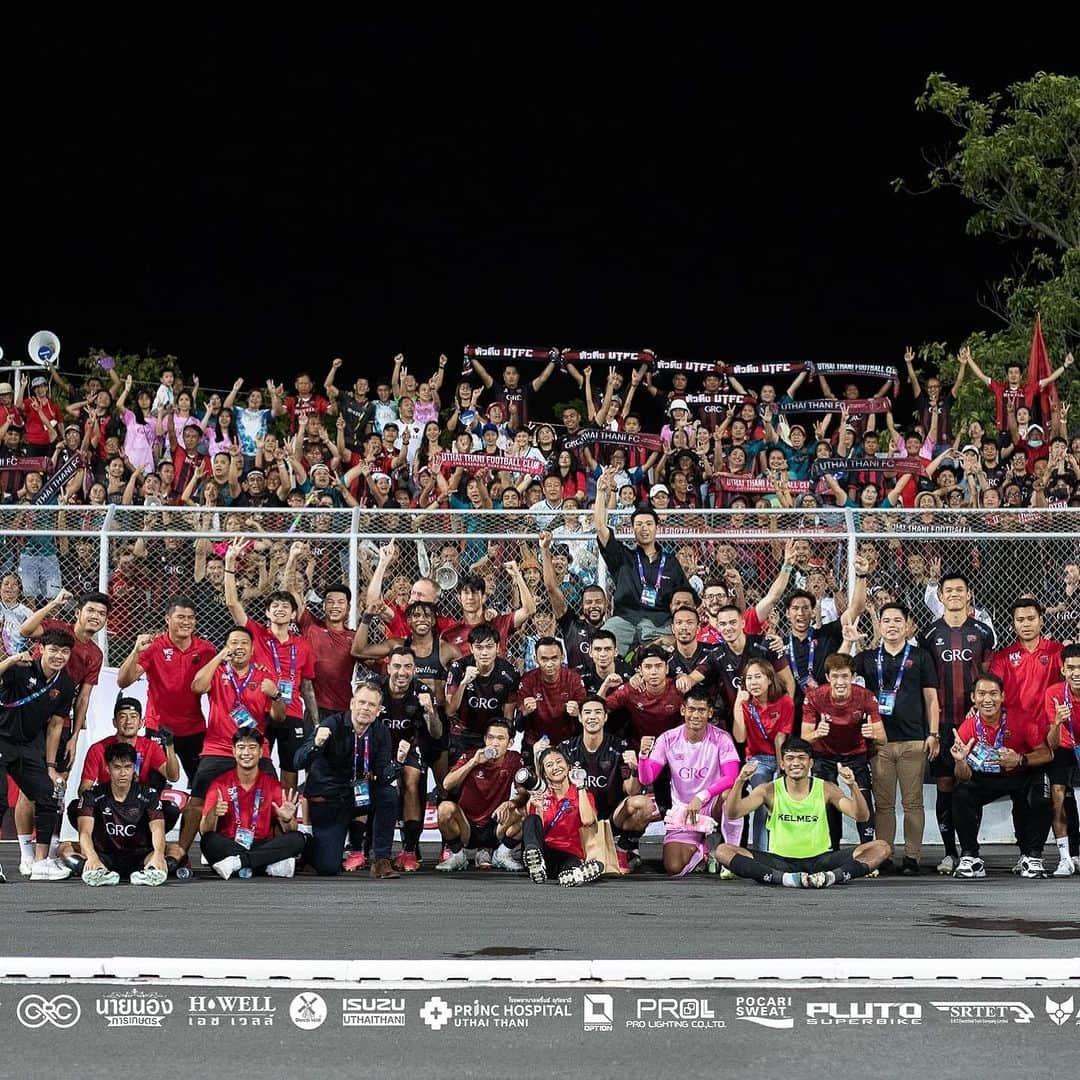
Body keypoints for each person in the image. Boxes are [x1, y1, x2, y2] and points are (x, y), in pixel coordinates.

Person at [715, 737, 891, 888]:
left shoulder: (826, 788)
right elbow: (733, 813)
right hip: (780, 861)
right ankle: (785, 879)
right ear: (782, 764)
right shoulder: (768, 790)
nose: (796, 763)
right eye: (790, 758)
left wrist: (853, 785)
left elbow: (861, 816)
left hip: (821, 861)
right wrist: (740, 780)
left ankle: (832, 877)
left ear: (811, 763)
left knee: (881, 847)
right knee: (723, 851)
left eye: (802, 758)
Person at [15, 590, 106, 874]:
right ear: (78, 612)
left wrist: (76, 736)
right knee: (28, 791)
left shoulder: (95, 654)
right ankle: (26, 854)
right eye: (91, 610)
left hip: (62, 723)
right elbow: (26, 629)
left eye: (102, 614)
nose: (96, 617)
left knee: (56, 788)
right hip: (30, 720)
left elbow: (84, 698)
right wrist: (53, 604)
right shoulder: (56, 629)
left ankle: (49, 851)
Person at [853, 602, 940, 875]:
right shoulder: (866, 658)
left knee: (913, 801)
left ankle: (912, 857)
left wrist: (933, 733)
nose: (891, 625)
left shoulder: (921, 657)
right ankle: (884, 854)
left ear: (907, 625)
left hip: (914, 739)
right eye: (886, 620)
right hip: (880, 743)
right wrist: (849, 642)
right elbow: (839, 675)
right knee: (884, 804)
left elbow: (931, 698)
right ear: (878, 625)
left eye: (897, 620)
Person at [225, 538, 318, 791]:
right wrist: (230, 564)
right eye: (274, 606)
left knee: (290, 768)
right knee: (254, 764)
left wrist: (316, 720)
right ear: (267, 613)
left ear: (292, 614)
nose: (279, 609)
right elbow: (233, 603)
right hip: (259, 711)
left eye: (285, 606)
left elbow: (308, 687)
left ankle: (285, 820)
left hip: (293, 713)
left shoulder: (303, 645)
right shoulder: (256, 634)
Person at [919, 571, 997, 875]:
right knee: (945, 786)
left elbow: (989, 679)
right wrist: (933, 730)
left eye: (959, 590)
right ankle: (950, 852)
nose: (953, 594)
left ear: (969, 595)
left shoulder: (982, 632)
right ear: (940, 596)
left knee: (969, 786)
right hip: (943, 722)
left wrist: (978, 710)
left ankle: (970, 849)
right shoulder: (928, 635)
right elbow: (927, 686)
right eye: (948, 590)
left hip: (974, 724)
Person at [617, 687, 741, 876]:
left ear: (710, 712)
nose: (696, 715)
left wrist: (701, 797)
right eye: (691, 709)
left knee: (730, 795)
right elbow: (647, 778)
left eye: (701, 710)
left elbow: (731, 777)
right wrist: (643, 756)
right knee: (673, 868)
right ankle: (705, 850)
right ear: (683, 710)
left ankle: (730, 854)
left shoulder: (722, 739)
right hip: (683, 810)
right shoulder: (668, 739)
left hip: (712, 804)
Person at [186, 626, 286, 855]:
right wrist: (220, 656)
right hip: (218, 748)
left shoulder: (264, 676)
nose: (238, 647)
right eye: (233, 643)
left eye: (244, 643)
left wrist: (276, 695)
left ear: (252, 650)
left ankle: (277, 855)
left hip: (255, 750)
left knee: (277, 803)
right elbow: (197, 686)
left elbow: (279, 717)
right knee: (196, 801)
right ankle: (181, 854)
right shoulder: (218, 672)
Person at [295, 680, 410, 878]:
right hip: (330, 799)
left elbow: (384, 776)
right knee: (328, 867)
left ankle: (381, 860)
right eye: (362, 702)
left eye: (371, 705)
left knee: (388, 793)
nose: (366, 708)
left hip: (358, 796)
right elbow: (298, 761)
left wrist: (398, 763)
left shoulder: (380, 731)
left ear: (378, 710)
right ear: (351, 703)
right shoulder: (332, 724)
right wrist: (316, 743)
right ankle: (311, 850)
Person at [951, 673, 1053, 879]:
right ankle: (970, 857)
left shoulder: (1021, 719)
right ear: (973, 698)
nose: (987, 700)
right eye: (981, 694)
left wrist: (1020, 760)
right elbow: (963, 776)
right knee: (961, 792)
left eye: (993, 694)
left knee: (1042, 793)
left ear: (1003, 696)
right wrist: (960, 760)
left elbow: (1047, 753)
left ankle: (1032, 856)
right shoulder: (968, 727)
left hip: (1021, 774)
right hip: (987, 778)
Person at [116, 595, 217, 795]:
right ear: (167, 619)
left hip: (194, 728)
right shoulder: (154, 646)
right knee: (149, 789)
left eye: (191, 618)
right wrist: (135, 651)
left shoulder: (206, 650)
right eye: (181, 617)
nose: (186, 622)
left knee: (203, 790)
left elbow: (218, 686)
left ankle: (198, 827)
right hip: (158, 728)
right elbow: (123, 681)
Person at [0, 629, 76, 882]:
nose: (59, 656)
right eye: (53, 649)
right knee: (0, 800)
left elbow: (55, 725)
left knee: (48, 793)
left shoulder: (64, 684)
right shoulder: (20, 668)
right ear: (41, 649)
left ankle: (42, 863)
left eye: (64, 652)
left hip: (28, 745)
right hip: (2, 738)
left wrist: (51, 766)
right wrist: (9, 660)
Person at [593, 472, 690, 655]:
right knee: (603, 644)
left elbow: (686, 599)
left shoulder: (670, 562)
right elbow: (600, 527)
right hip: (624, 620)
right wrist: (600, 492)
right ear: (632, 529)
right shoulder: (623, 556)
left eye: (648, 524)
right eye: (638, 524)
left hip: (659, 623)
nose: (643, 528)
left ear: (656, 527)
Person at [801, 652, 885, 850]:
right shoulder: (814, 697)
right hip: (825, 754)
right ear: (828, 677)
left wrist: (872, 734)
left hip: (856, 754)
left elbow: (883, 738)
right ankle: (832, 847)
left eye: (845, 676)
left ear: (853, 677)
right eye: (835, 676)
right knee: (829, 799)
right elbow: (804, 737)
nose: (840, 682)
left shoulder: (865, 697)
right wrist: (816, 733)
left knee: (863, 798)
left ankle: (867, 848)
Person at [200, 729, 306, 879]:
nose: (246, 753)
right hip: (231, 844)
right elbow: (205, 830)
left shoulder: (272, 785)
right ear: (234, 751)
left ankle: (237, 864)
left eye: (252, 747)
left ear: (261, 752)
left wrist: (288, 819)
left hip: (262, 844)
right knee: (208, 841)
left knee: (297, 838)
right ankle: (266, 865)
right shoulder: (219, 784)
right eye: (241, 747)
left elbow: (291, 829)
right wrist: (213, 813)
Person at [372, 647, 442, 872]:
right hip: (377, 749)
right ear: (388, 666)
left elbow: (436, 733)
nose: (402, 672)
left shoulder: (422, 690)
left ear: (414, 669)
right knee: (365, 779)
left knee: (411, 779)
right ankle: (357, 848)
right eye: (397, 666)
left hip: (410, 748)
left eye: (408, 667)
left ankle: (409, 850)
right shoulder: (375, 689)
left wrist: (430, 711)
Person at [558, 696, 638, 870]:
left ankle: (621, 846)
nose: (592, 717)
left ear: (605, 717)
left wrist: (634, 769)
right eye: (587, 712)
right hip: (578, 817)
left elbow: (631, 790)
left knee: (639, 804)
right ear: (579, 717)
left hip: (612, 818)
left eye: (597, 712)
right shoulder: (566, 749)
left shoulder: (620, 747)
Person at [74, 742, 169, 887]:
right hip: (105, 854)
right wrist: (92, 857)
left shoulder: (149, 795)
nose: (123, 773)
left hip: (139, 854)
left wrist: (158, 855)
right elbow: (85, 832)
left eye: (128, 767)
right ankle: (99, 872)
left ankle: (150, 872)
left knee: (175, 851)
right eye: (117, 767)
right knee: (65, 849)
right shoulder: (92, 795)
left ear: (134, 769)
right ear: (107, 768)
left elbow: (158, 829)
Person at [436, 719, 525, 872]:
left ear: (510, 743)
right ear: (484, 739)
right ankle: (458, 855)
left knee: (528, 810)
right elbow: (446, 785)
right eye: (490, 737)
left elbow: (524, 794)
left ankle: (502, 853)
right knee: (445, 809)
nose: (494, 743)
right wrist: (473, 763)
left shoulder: (514, 759)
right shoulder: (472, 755)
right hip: (467, 826)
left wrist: (511, 803)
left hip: (495, 824)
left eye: (500, 738)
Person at [732, 659, 795, 851]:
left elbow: (780, 738)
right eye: (749, 678)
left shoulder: (785, 702)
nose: (753, 682)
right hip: (756, 759)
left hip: (781, 757)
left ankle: (785, 849)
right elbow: (740, 737)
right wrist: (737, 703)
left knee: (783, 803)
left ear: (769, 679)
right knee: (761, 800)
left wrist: (781, 769)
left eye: (758, 677)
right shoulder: (745, 704)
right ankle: (762, 853)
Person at [521, 746, 604, 886]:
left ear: (568, 766)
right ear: (545, 773)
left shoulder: (583, 795)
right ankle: (536, 864)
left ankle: (573, 875)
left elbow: (588, 820)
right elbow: (536, 830)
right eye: (549, 765)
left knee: (571, 864)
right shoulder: (541, 796)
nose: (556, 767)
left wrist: (580, 786)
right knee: (531, 819)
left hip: (569, 852)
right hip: (544, 851)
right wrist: (539, 808)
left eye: (559, 761)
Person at [444, 624, 520, 763]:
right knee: (457, 780)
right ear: (471, 648)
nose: (484, 653)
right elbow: (449, 711)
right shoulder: (458, 668)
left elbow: (508, 716)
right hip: (462, 732)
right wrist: (463, 683)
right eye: (479, 647)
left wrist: (502, 742)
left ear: (497, 648)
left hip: (491, 735)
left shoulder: (510, 673)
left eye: (489, 647)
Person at [517, 637, 587, 764]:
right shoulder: (528, 681)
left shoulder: (574, 679)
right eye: (544, 659)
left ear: (562, 657)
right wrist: (525, 713)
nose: (549, 664)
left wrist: (578, 714)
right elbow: (518, 726)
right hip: (535, 742)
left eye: (554, 658)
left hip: (568, 743)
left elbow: (586, 722)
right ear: (535, 659)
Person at [1043, 645, 1080, 876]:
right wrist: (1057, 722)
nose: (1077, 673)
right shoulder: (1054, 693)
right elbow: (1053, 743)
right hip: (1065, 747)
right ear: (1063, 670)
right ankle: (1065, 858)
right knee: (1056, 793)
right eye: (1071, 668)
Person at [299, 583, 357, 718]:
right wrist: (291, 561)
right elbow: (291, 592)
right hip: (314, 708)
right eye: (330, 602)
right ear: (324, 606)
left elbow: (375, 665)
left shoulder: (354, 638)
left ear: (348, 608)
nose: (335, 606)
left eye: (340, 602)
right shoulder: (311, 626)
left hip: (344, 708)